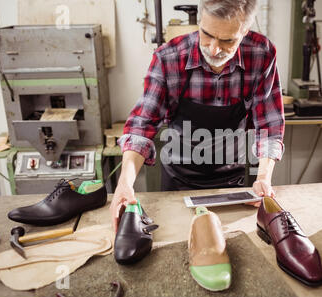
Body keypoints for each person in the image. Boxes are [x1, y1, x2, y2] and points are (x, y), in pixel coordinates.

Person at [110, 0, 285, 232]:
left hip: (231, 182)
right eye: (207, 34)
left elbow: (269, 125)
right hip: (178, 181)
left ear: (244, 32)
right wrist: (125, 183)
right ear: (200, 20)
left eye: (227, 40)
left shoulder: (261, 54)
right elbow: (141, 126)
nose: (214, 49)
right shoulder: (169, 58)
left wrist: (263, 176)